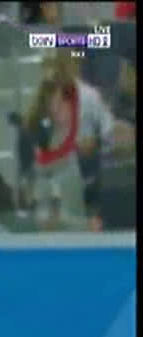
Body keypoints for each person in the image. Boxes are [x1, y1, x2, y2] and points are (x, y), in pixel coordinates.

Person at [24, 51, 135, 232]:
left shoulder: (89, 95)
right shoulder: (41, 103)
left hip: (83, 171)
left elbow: (110, 133)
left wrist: (95, 143)